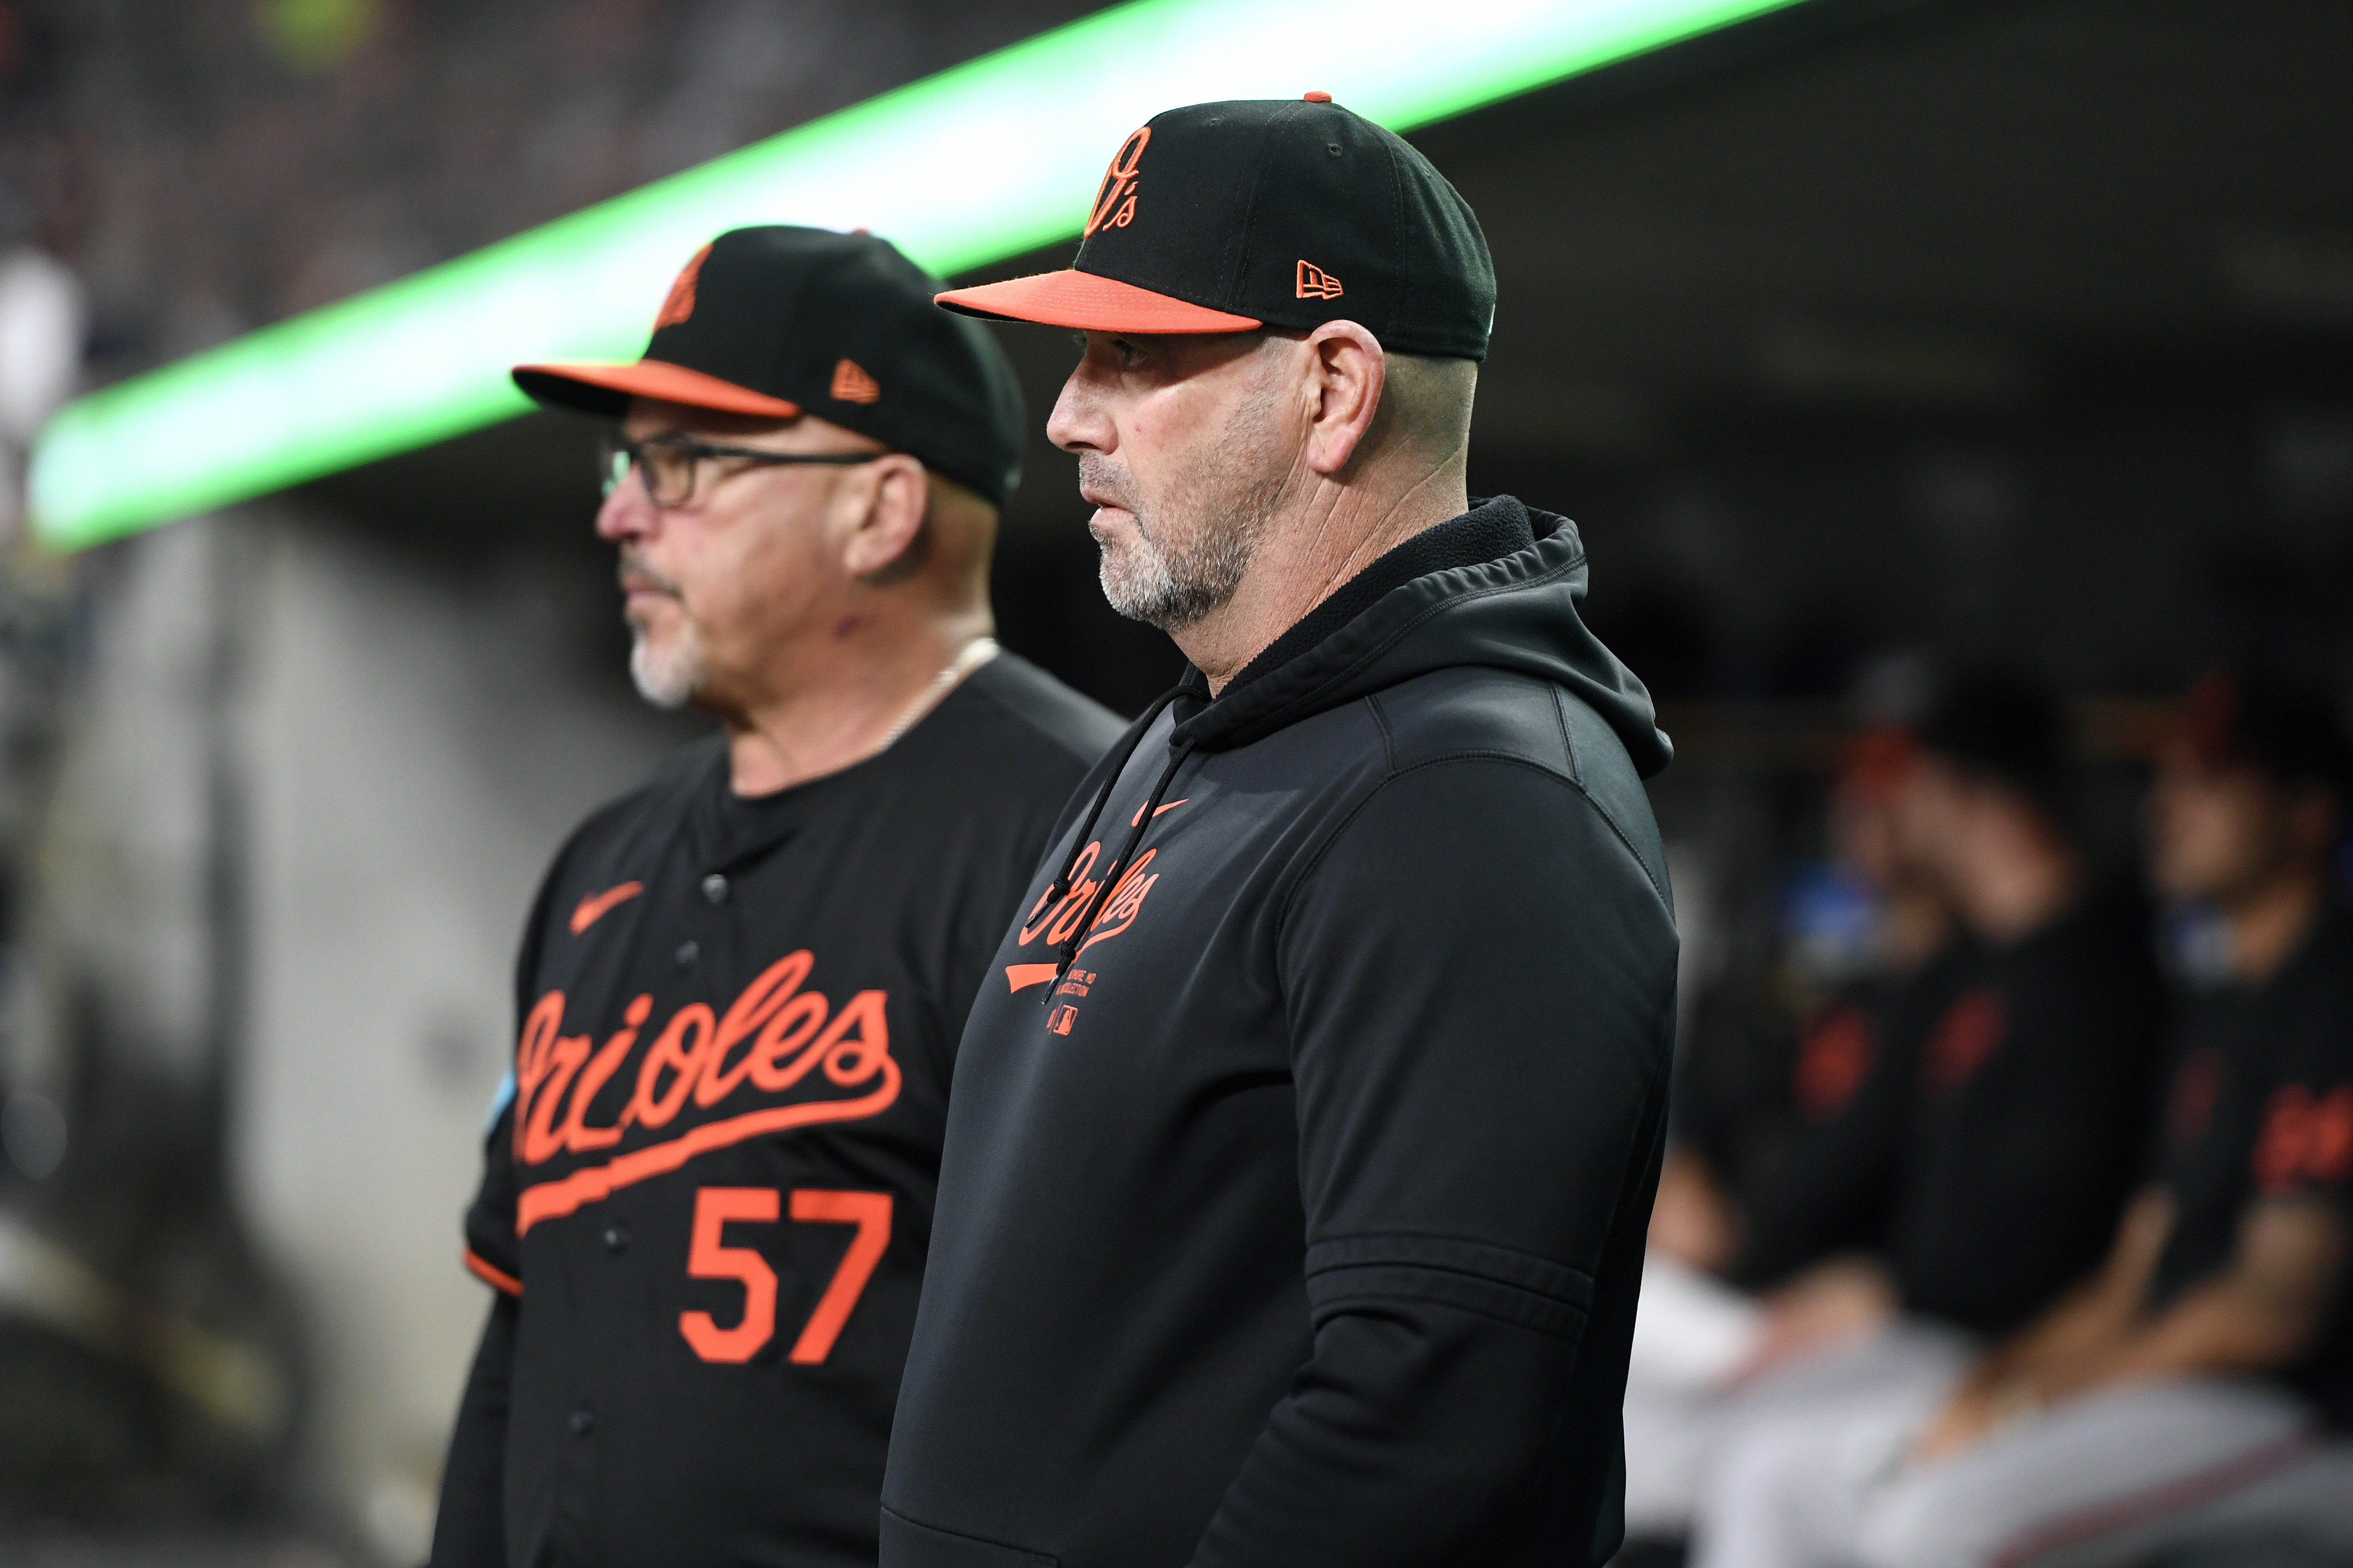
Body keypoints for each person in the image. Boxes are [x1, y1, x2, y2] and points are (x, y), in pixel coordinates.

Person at [875, 96, 1680, 1568]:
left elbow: (1421, 1435)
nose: (1067, 412)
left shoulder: (1475, 800)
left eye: (1134, 354)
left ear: (1331, 388)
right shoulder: (1197, 731)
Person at [426, 226, 1123, 1568]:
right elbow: (523, 1326)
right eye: (628, 460)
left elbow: (1136, 1378)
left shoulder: (1095, 836)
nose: (620, 511)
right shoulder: (601, 866)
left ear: (881, 509)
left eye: (684, 464)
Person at [1693, 672, 2353, 1568]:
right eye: (2168, 779)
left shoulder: (2328, 993)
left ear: (2308, 812)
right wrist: (1998, 1381)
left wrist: (2038, 1399)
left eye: (2210, 780)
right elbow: (2132, 1275)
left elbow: (2273, 1310)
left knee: (1936, 1523)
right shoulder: (2217, 1005)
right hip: (2167, 1386)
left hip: (2294, 1413)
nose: (2168, 805)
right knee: (1780, 1476)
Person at [1623, 670, 2165, 1541]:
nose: (1889, 810)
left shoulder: (2093, 967)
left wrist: (1869, 1279)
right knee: (1603, 1414)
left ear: (1966, 791)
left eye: (1908, 785)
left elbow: (2037, 1220)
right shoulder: (1973, 963)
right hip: (1879, 1312)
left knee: (1754, 1467)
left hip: (1978, 1339)